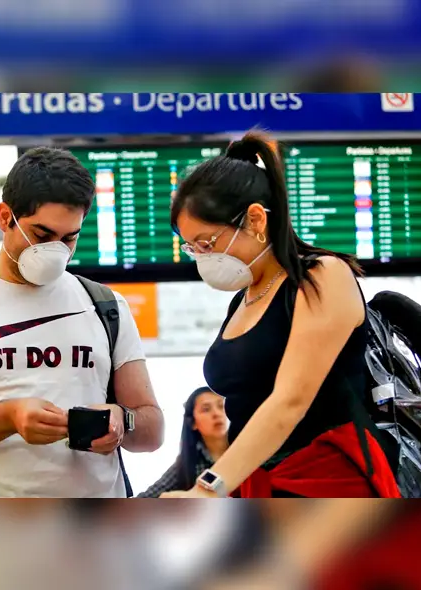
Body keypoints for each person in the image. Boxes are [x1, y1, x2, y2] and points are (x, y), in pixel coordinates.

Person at [0, 147, 164, 498]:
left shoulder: (105, 306)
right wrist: (6, 418)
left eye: (70, 238)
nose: (56, 251)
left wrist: (121, 419)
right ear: (4, 217)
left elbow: (152, 429)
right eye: (42, 236)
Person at [161, 131, 400, 498]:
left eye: (207, 243)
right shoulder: (244, 298)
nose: (202, 257)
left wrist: (208, 489)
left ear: (255, 219)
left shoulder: (322, 276)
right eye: (192, 248)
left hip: (329, 477)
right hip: (258, 481)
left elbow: (290, 400)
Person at [138, 387, 230, 498]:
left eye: (221, 406)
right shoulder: (187, 464)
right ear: (193, 423)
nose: (216, 413)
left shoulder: (245, 448)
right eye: (206, 409)